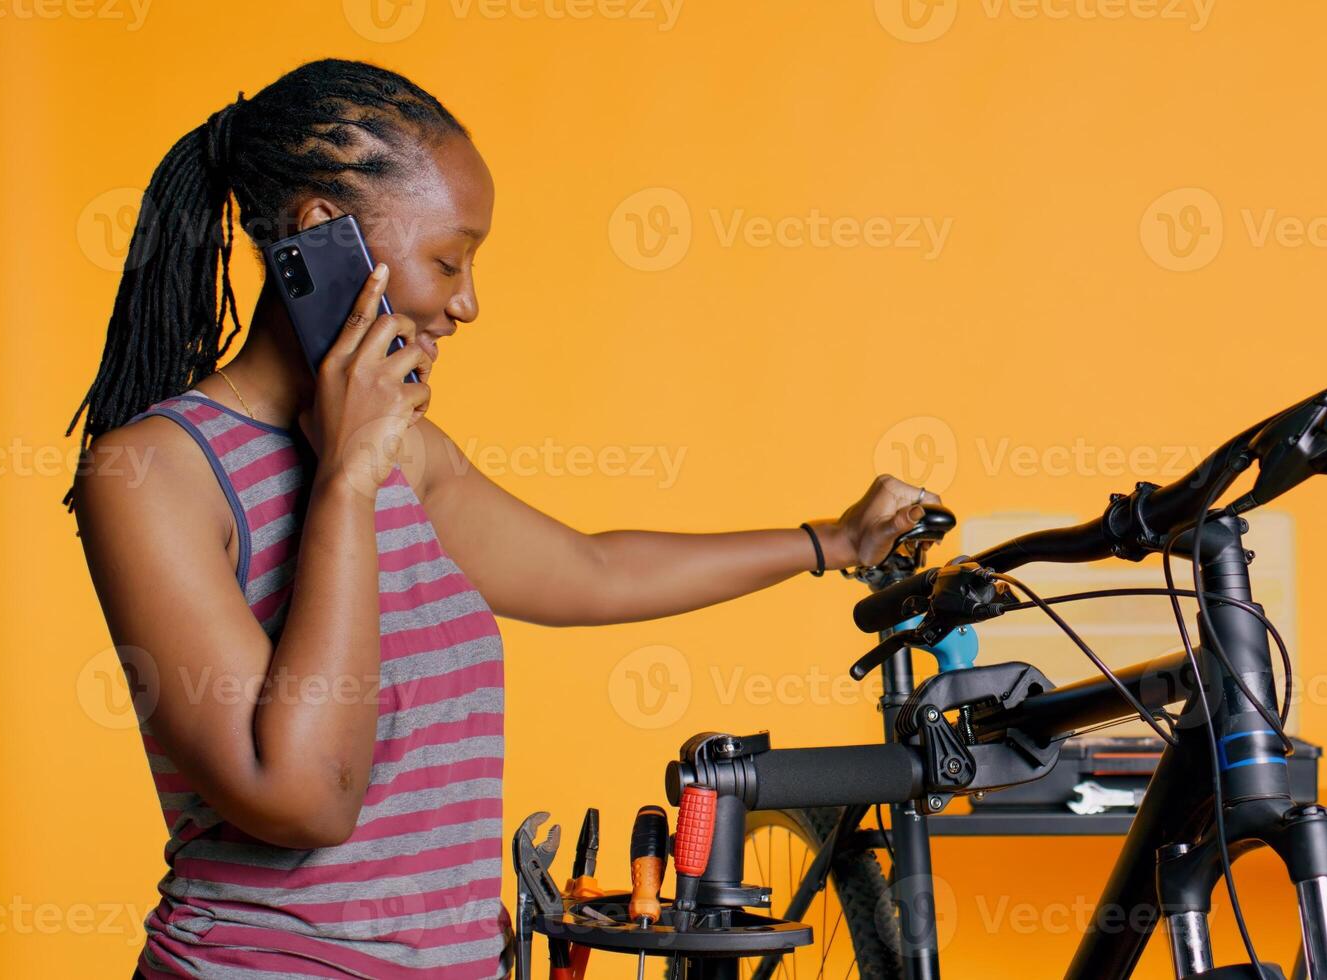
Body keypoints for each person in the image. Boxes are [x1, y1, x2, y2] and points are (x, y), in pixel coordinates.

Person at [67, 58, 939, 979]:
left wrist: (832, 543)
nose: (467, 303)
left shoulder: (410, 455)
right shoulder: (154, 475)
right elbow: (305, 797)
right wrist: (345, 483)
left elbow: (593, 571)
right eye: (448, 259)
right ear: (322, 238)